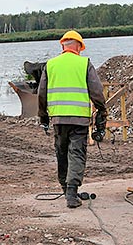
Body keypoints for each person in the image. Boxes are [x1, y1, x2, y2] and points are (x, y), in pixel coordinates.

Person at [37, 30, 107, 208]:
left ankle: (65, 188)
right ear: (78, 46)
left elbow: (42, 94)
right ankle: (71, 193)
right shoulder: (84, 63)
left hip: (58, 119)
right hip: (79, 119)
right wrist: (101, 110)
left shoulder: (51, 64)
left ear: (63, 45)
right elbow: (96, 91)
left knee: (61, 153)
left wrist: (43, 117)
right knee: (76, 153)